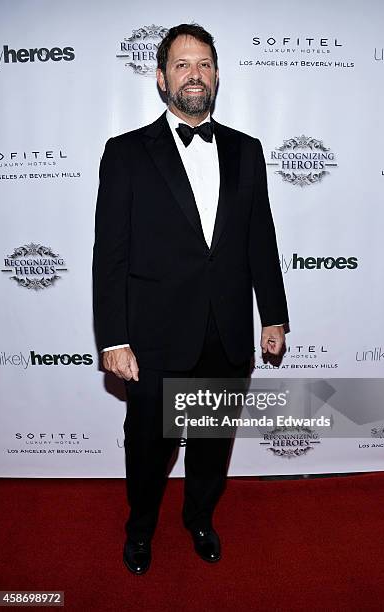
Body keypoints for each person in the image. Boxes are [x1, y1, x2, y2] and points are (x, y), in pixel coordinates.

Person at [92, 23, 288, 575]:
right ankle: (140, 529)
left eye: (203, 63)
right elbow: (110, 254)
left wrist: (273, 314)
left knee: (209, 444)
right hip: (153, 337)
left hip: (225, 331)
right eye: (182, 64)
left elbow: (260, 238)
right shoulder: (126, 153)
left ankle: (200, 518)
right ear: (161, 78)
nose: (194, 74)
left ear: (217, 75)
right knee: (150, 448)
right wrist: (113, 337)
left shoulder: (247, 152)